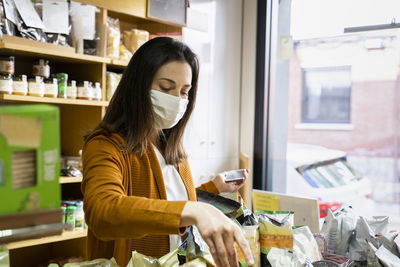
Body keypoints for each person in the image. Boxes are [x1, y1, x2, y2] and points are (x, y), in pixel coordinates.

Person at [81, 37, 254, 267]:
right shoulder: (105, 145)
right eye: (166, 88)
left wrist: (212, 189)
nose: (177, 100)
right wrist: (194, 209)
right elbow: (103, 212)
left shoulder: (173, 148)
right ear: (138, 86)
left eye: (184, 91)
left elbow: (167, 201)